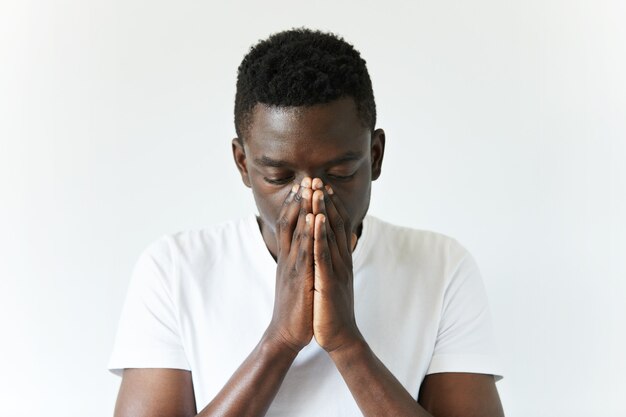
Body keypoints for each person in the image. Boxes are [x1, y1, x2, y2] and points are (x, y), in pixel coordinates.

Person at [109, 28, 505, 417]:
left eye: (340, 171)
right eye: (280, 177)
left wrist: (346, 345)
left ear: (376, 156)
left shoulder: (441, 266)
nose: (311, 197)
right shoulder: (175, 268)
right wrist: (280, 341)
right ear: (243, 164)